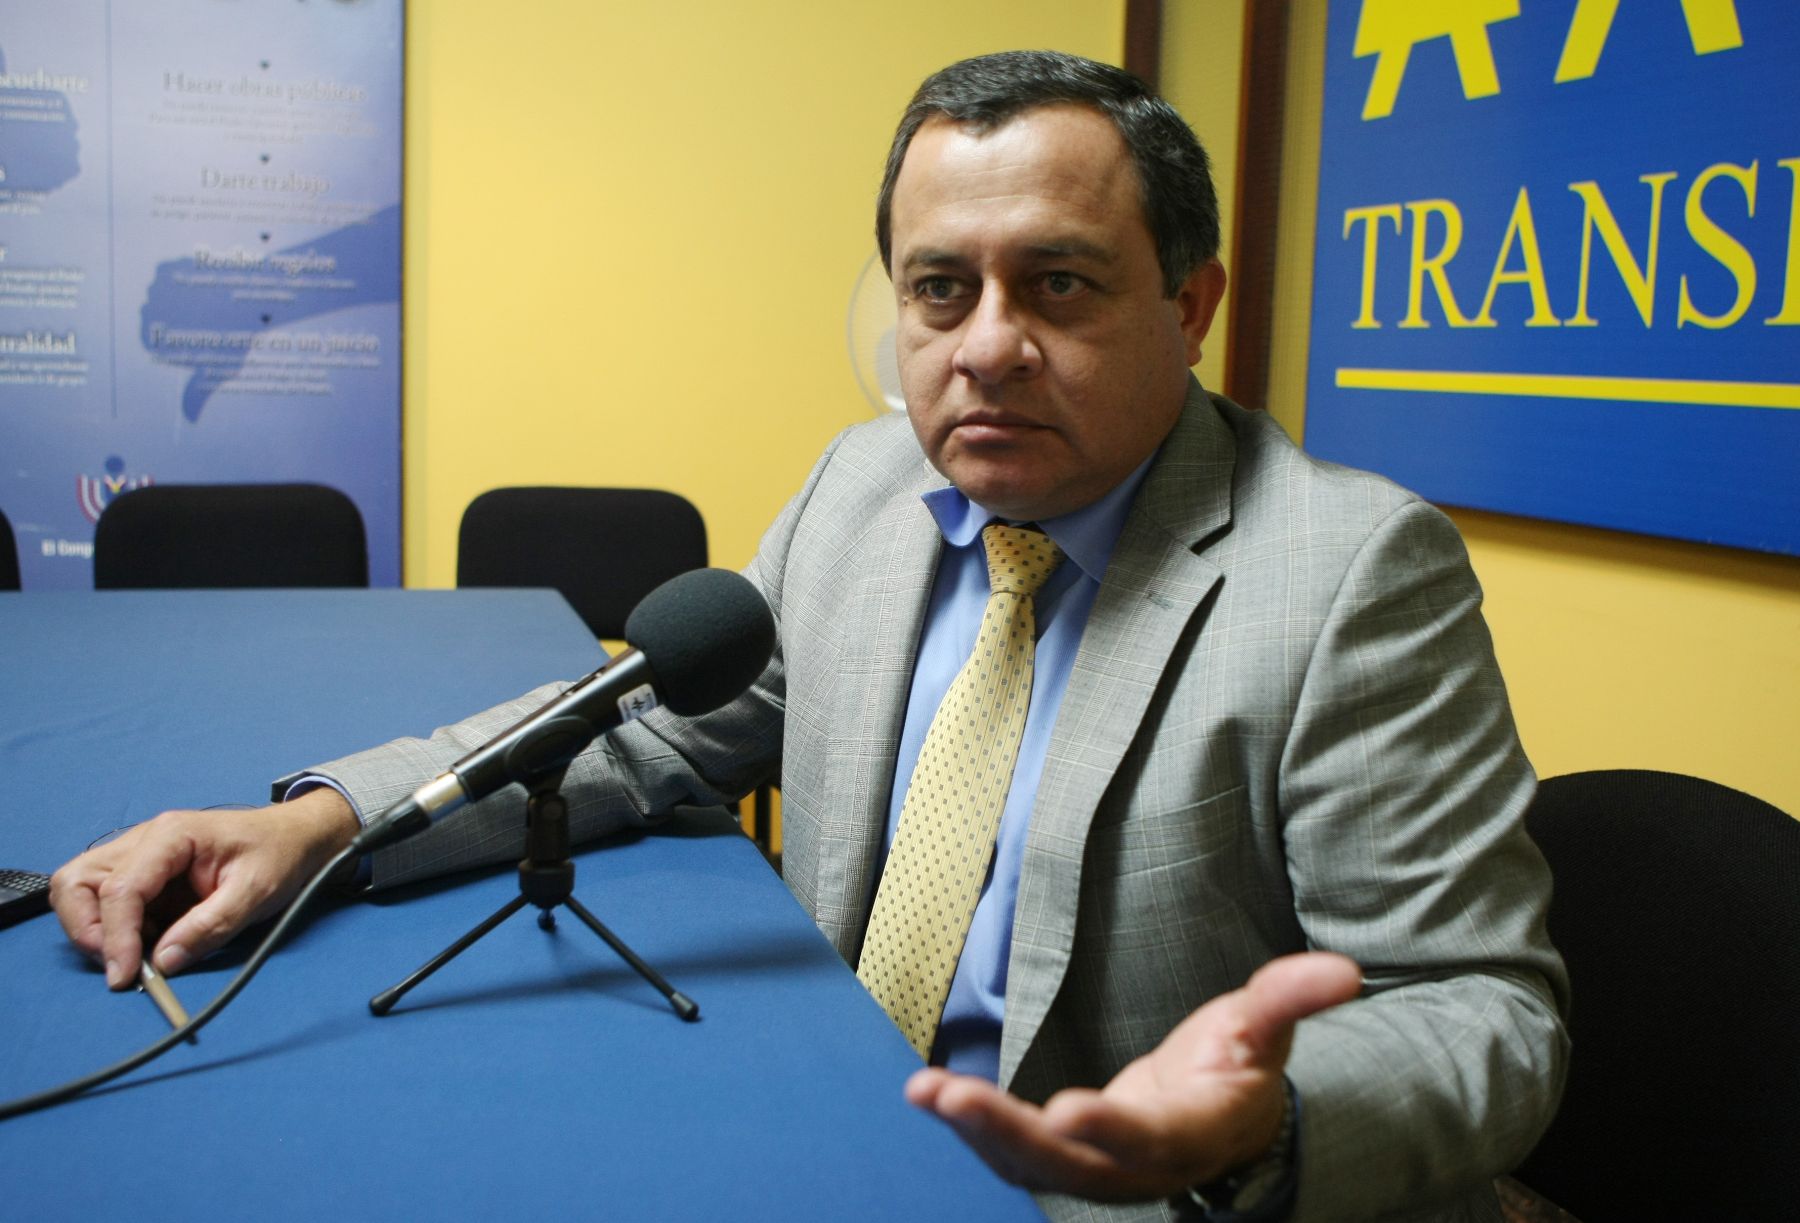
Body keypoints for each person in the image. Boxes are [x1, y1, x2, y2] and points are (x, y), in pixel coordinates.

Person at [51, 51, 1566, 1222]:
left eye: (1059, 284)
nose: (986, 346)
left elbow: (1485, 1012)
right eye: (939, 289)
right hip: (837, 1131)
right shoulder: (864, 487)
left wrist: (1261, 1124)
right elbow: (640, 728)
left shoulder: (1350, 574)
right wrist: (319, 824)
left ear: (1191, 305)